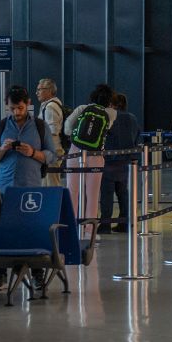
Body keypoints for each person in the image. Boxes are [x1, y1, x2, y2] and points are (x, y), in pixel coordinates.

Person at [60, 84, 116, 239]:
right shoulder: (111, 113)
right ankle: (89, 233)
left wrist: (76, 136)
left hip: (75, 152)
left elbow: (66, 128)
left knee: (72, 191)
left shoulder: (82, 109)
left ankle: (71, 229)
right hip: (96, 155)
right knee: (92, 194)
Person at [0, 85, 58, 190]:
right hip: (3, 188)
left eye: (20, 108)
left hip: (31, 188)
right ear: (7, 105)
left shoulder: (41, 126)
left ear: (28, 103)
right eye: (12, 108)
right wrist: (2, 149)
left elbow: (52, 157)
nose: (16, 112)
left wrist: (32, 152)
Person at [100, 92, 142, 233]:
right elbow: (137, 138)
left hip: (109, 161)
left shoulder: (109, 117)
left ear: (111, 104)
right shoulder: (132, 118)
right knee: (123, 194)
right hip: (127, 162)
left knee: (107, 194)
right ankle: (125, 222)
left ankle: (105, 224)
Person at [35, 78, 67, 185]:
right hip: (49, 151)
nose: (37, 92)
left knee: (52, 185)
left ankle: (55, 202)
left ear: (49, 90)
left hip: (52, 151)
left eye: (39, 89)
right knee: (46, 184)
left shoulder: (50, 107)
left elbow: (53, 131)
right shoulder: (48, 105)